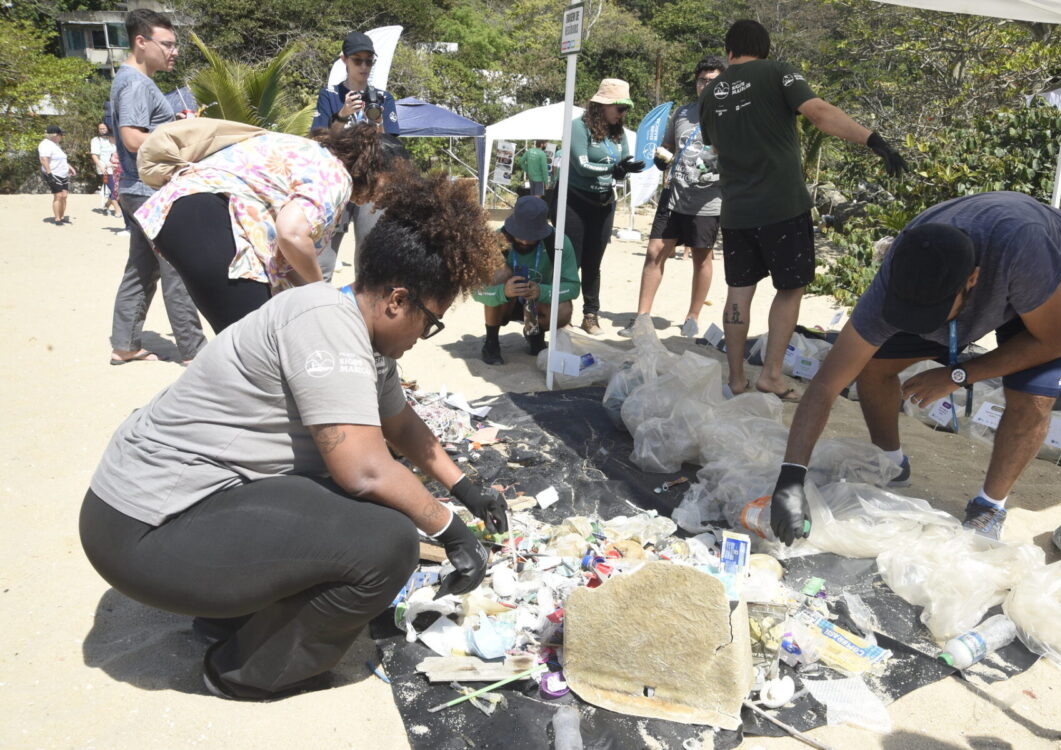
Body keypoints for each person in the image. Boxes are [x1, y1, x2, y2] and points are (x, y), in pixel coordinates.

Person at [79, 165, 506, 702]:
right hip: (139, 531)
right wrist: (451, 530)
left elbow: (399, 423)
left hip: (173, 513)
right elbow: (367, 470)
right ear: (397, 300)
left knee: (355, 504)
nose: (427, 335)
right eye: (431, 321)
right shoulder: (323, 321)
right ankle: (243, 671)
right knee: (386, 541)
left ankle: (229, 616)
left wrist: (466, 488)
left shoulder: (358, 327)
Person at [767, 191, 1061, 544]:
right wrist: (790, 478)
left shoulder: (1023, 250)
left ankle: (989, 506)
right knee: (872, 363)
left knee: (1032, 396)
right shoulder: (900, 272)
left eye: (928, 314)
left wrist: (957, 374)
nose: (920, 323)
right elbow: (825, 384)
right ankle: (891, 462)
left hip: (1059, 275)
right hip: (975, 280)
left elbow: (1054, 341)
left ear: (972, 280)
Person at [699, 19, 906, 401]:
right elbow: (818, 113)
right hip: (782, 204)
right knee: (790, 288)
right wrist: (873, 139)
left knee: (738, 290)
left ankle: (736, 379)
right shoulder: (778, 72)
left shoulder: (710, 94)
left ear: (730, 52)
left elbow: (714, 147)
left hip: (736, 211)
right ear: (765, 48)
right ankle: (772, 376)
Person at [134, 126, 397, 334]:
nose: (382, 196)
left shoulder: (312, 154)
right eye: (390, 184)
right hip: (210, 217)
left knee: (244, 346)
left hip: (181, 213)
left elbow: (290, 257)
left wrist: (317, 296)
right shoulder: (337, 177)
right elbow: (292, 234)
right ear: (373, 168)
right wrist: (322, 291)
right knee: (258, 351)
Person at [107, 8, 206, 366]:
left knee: (141, 267)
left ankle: (125, 343)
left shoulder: (134, 81)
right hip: (149, 191)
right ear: (141, 41)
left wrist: (175, 125)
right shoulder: (135, 82)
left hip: (137, 189)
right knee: (175, 267)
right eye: (166, 44)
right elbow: (133, 138)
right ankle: (194, 352)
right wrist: (182, 138)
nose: (173, 51)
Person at [619, 56, 727, 340]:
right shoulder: (682, 113)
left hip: (708, 200)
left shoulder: (732, 115)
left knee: (702, 258)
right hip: (674, 194)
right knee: (655, 251)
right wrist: (661, 157)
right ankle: (642, 318)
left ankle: (692, 317)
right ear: (696, 83)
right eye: (703, 80)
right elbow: (668, 146)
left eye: (713, 81)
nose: (706, 85)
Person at [311, 31, 402, 281]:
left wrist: (379, 124)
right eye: (357, 60)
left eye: (368, 61)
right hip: (336, 182)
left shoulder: (383, 98)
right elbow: (320, 140)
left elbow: (390, 144)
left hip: (371, 183)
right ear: (344, 60)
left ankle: (362, 318)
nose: (363, 66)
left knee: (369, 258)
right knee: (323, 260)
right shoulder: (329, 94)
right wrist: (342, 115)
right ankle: (317, 311)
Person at [561, 78, 645, 335]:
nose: (623, 114)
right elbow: (581, 165)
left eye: (625, 109)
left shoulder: (617, 132)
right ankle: (560, 313)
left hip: (604, 204)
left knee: (593, 262)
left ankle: (591, 314)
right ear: (601, 106)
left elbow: (623, 164)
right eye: (619, 108)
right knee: (569, 260)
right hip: (574, 202)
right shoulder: (578, 127)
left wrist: (626, 169)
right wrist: (613, 168)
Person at [475, 196, 579, 364]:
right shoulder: (495, 241)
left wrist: (542, 291)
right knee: (499, 276)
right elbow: (476, 291)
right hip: (505, 303)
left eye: (531, 236)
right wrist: (504, 292)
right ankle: (491, 342)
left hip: (537, 303)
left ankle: (535, 334)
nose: (524, 240)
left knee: (564, 309)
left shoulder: (558, 242)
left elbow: (573, 287)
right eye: (520, 234)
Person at [38, 125, 75, 225]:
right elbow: (44, 160)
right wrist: (49, 174)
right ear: (54, 135)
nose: (61, 137)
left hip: (63, 174)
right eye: (60, 135)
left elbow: (61, 159)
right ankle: (57, 218)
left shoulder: (55, 145)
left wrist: (69, 167)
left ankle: (62, 216)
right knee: (58, 195)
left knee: (64, 196)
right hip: (53, 173)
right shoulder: (45, 144)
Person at [89, 122, 120, 218]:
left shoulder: (112, 139)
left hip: (115, 167)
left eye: (104, 128)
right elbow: (94, 155)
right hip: (104, 168)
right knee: (113, 188)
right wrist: (101, 167)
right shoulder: (96, 140)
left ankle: (106, 205)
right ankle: (117, 210)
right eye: (100, 129)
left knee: (118, 189)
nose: (102, 130)